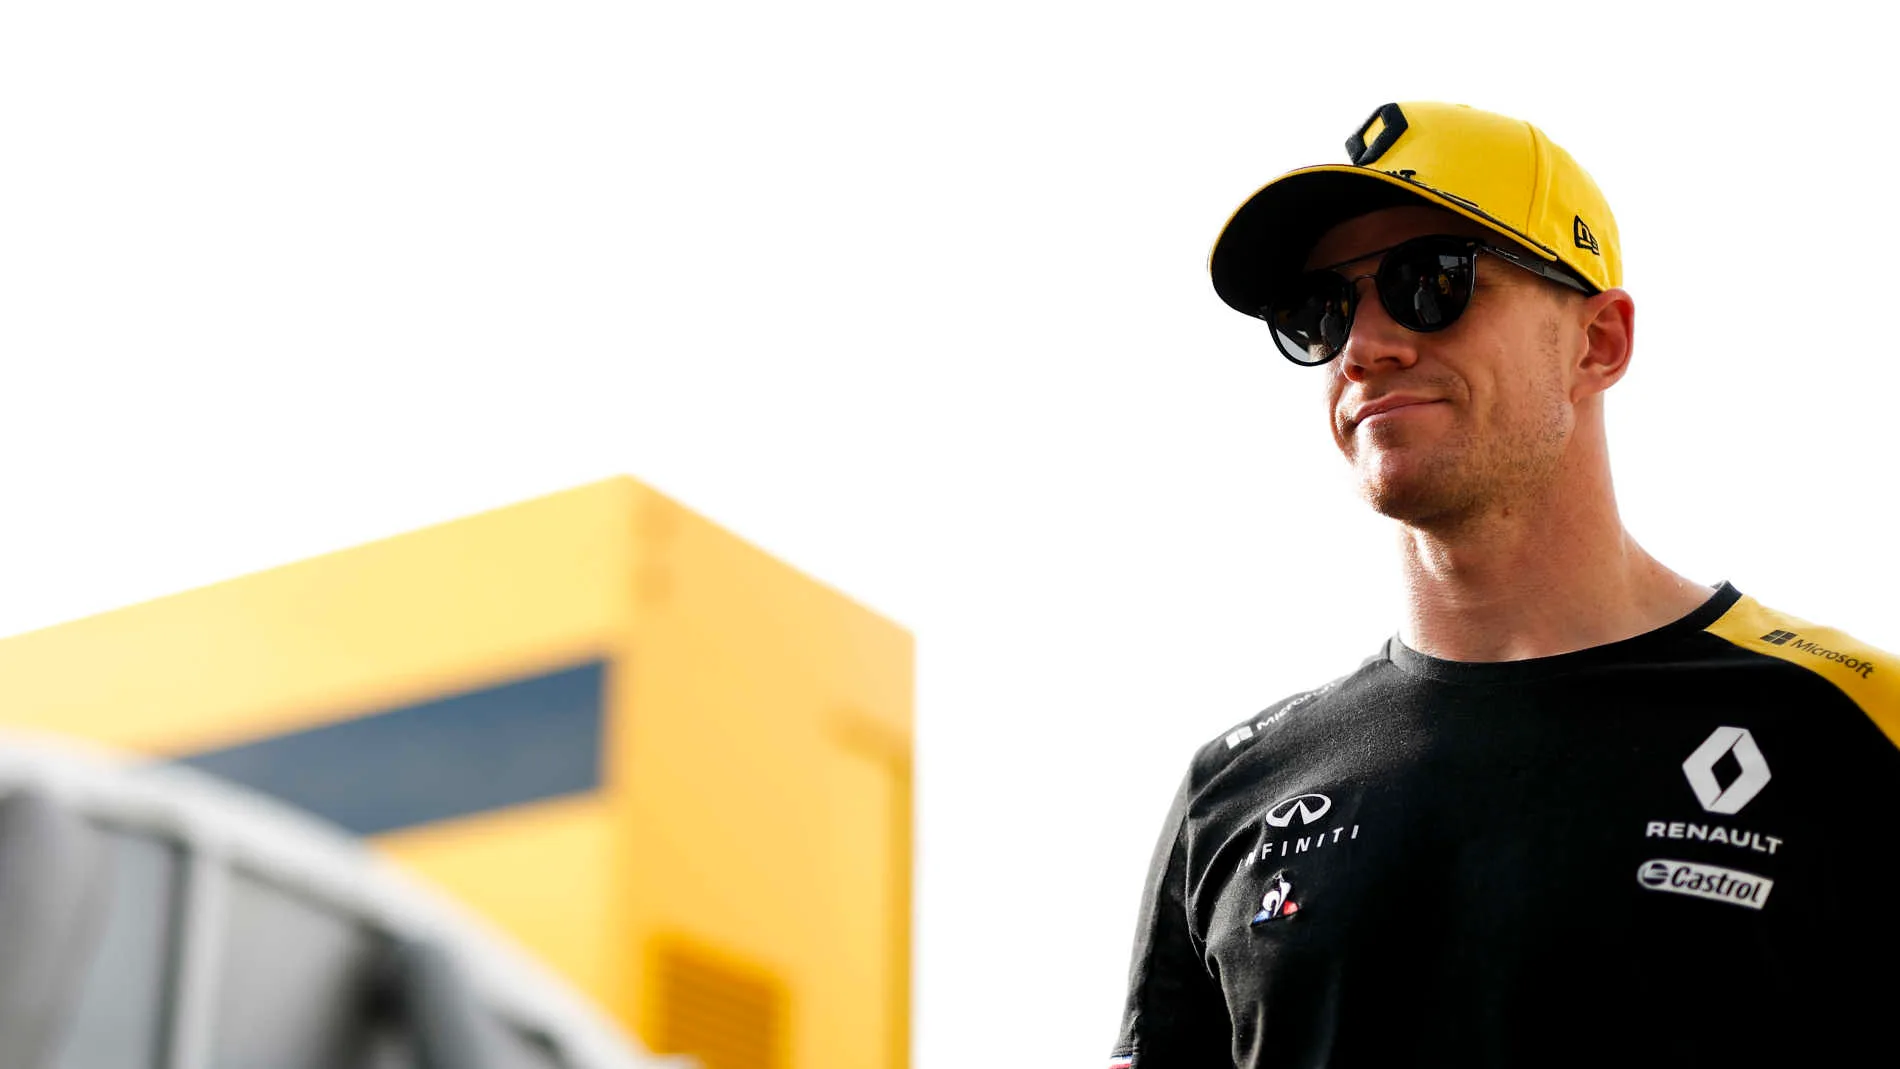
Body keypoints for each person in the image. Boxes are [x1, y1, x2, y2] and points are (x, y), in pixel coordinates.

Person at [1108, 101, 1899, 1068]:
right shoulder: (1231, 795)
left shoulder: (1854, 728)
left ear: (1599, 342)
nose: (1365, 346)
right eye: (1320, 309)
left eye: (1429, 282)